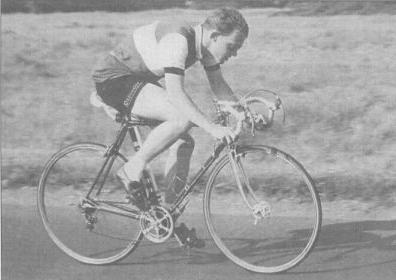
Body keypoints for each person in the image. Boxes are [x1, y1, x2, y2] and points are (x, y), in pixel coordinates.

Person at [92, 7, 249, 247]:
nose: (235, 54)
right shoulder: (179, 39)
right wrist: (212, 128)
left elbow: (219, 86)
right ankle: (132, 167)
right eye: (232, 46)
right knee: (181, 118)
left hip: (139, 80)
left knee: (184, 141)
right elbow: (176, 94)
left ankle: (166, 215)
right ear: (215, 36)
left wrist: (243, 113)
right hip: (114, 79)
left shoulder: (205, 47)